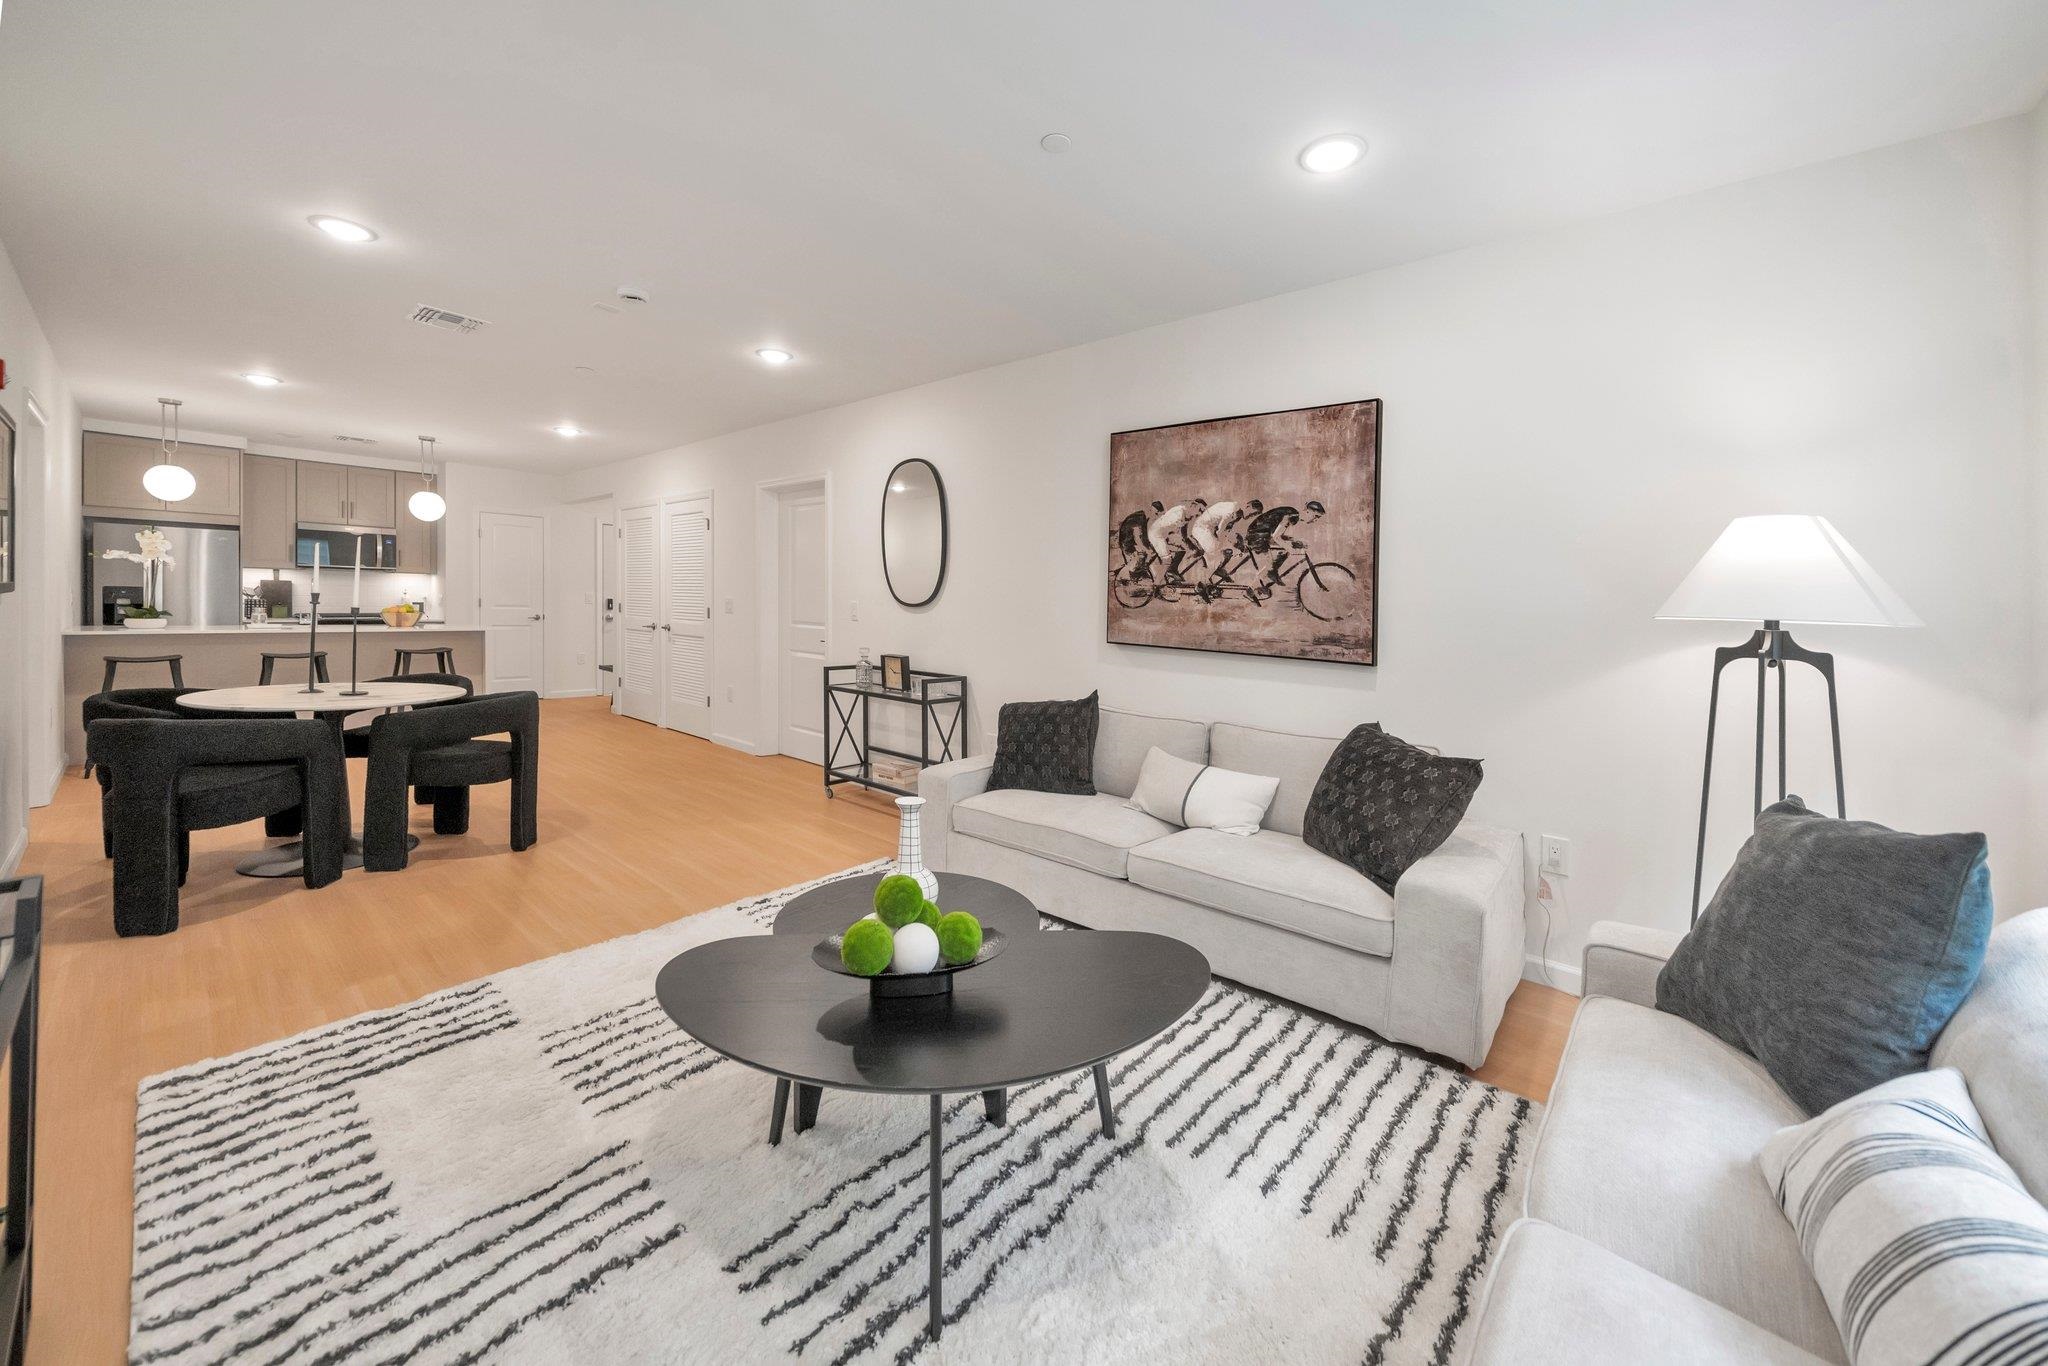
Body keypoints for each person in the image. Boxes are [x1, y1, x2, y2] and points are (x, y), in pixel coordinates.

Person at [1243, 500, 1327, 586]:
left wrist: (1293, 542)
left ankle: (1264, 580)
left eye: (1318, 518)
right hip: (1257, 535)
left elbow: (1279, 534)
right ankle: (1256, 585)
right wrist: (1292, 551)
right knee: (1270, 566)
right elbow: (1276, 537)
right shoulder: (1291, 515)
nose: (1315, 520)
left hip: (1263, 534)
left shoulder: (1294, 515)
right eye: (1316, 516)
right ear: (1308, 511)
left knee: (1281, 554)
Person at [1148, 499, 1203, 582]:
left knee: (1181, 550)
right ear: (1192, 507)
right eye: (1199, 510)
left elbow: (1184, 534)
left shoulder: (1188, 514)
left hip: (1164, 535)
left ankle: (1172, 570)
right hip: (1156, 535)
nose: (1200, 514)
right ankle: (1156, 585)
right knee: (1167, 560)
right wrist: (1193, 547)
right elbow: (1179, 534)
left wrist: (1193, 546)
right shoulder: (1179, 514)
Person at [1187, 499, 1238, 582]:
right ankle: (1205, 581)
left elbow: (1223, 529)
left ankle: (1218, 569)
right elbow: (1220, 531)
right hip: (1201, 529)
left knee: (1225, 551)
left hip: (1208, 529)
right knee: (1214, 550)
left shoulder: (1232, 507)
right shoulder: (1230, 512)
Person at [1116, 503, 1161, 578]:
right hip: (1128, 544)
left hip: (1131, 543)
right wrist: (1146, 549)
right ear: (1152, 510)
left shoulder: (1144, 519)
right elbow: (1137, 537)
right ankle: (1130, 575)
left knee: (1151, 552)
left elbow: (1143, 537)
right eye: (1156, 514)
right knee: (1142, 555)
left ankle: (1141, 571)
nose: (1156, 517)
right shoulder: (1139, 518)